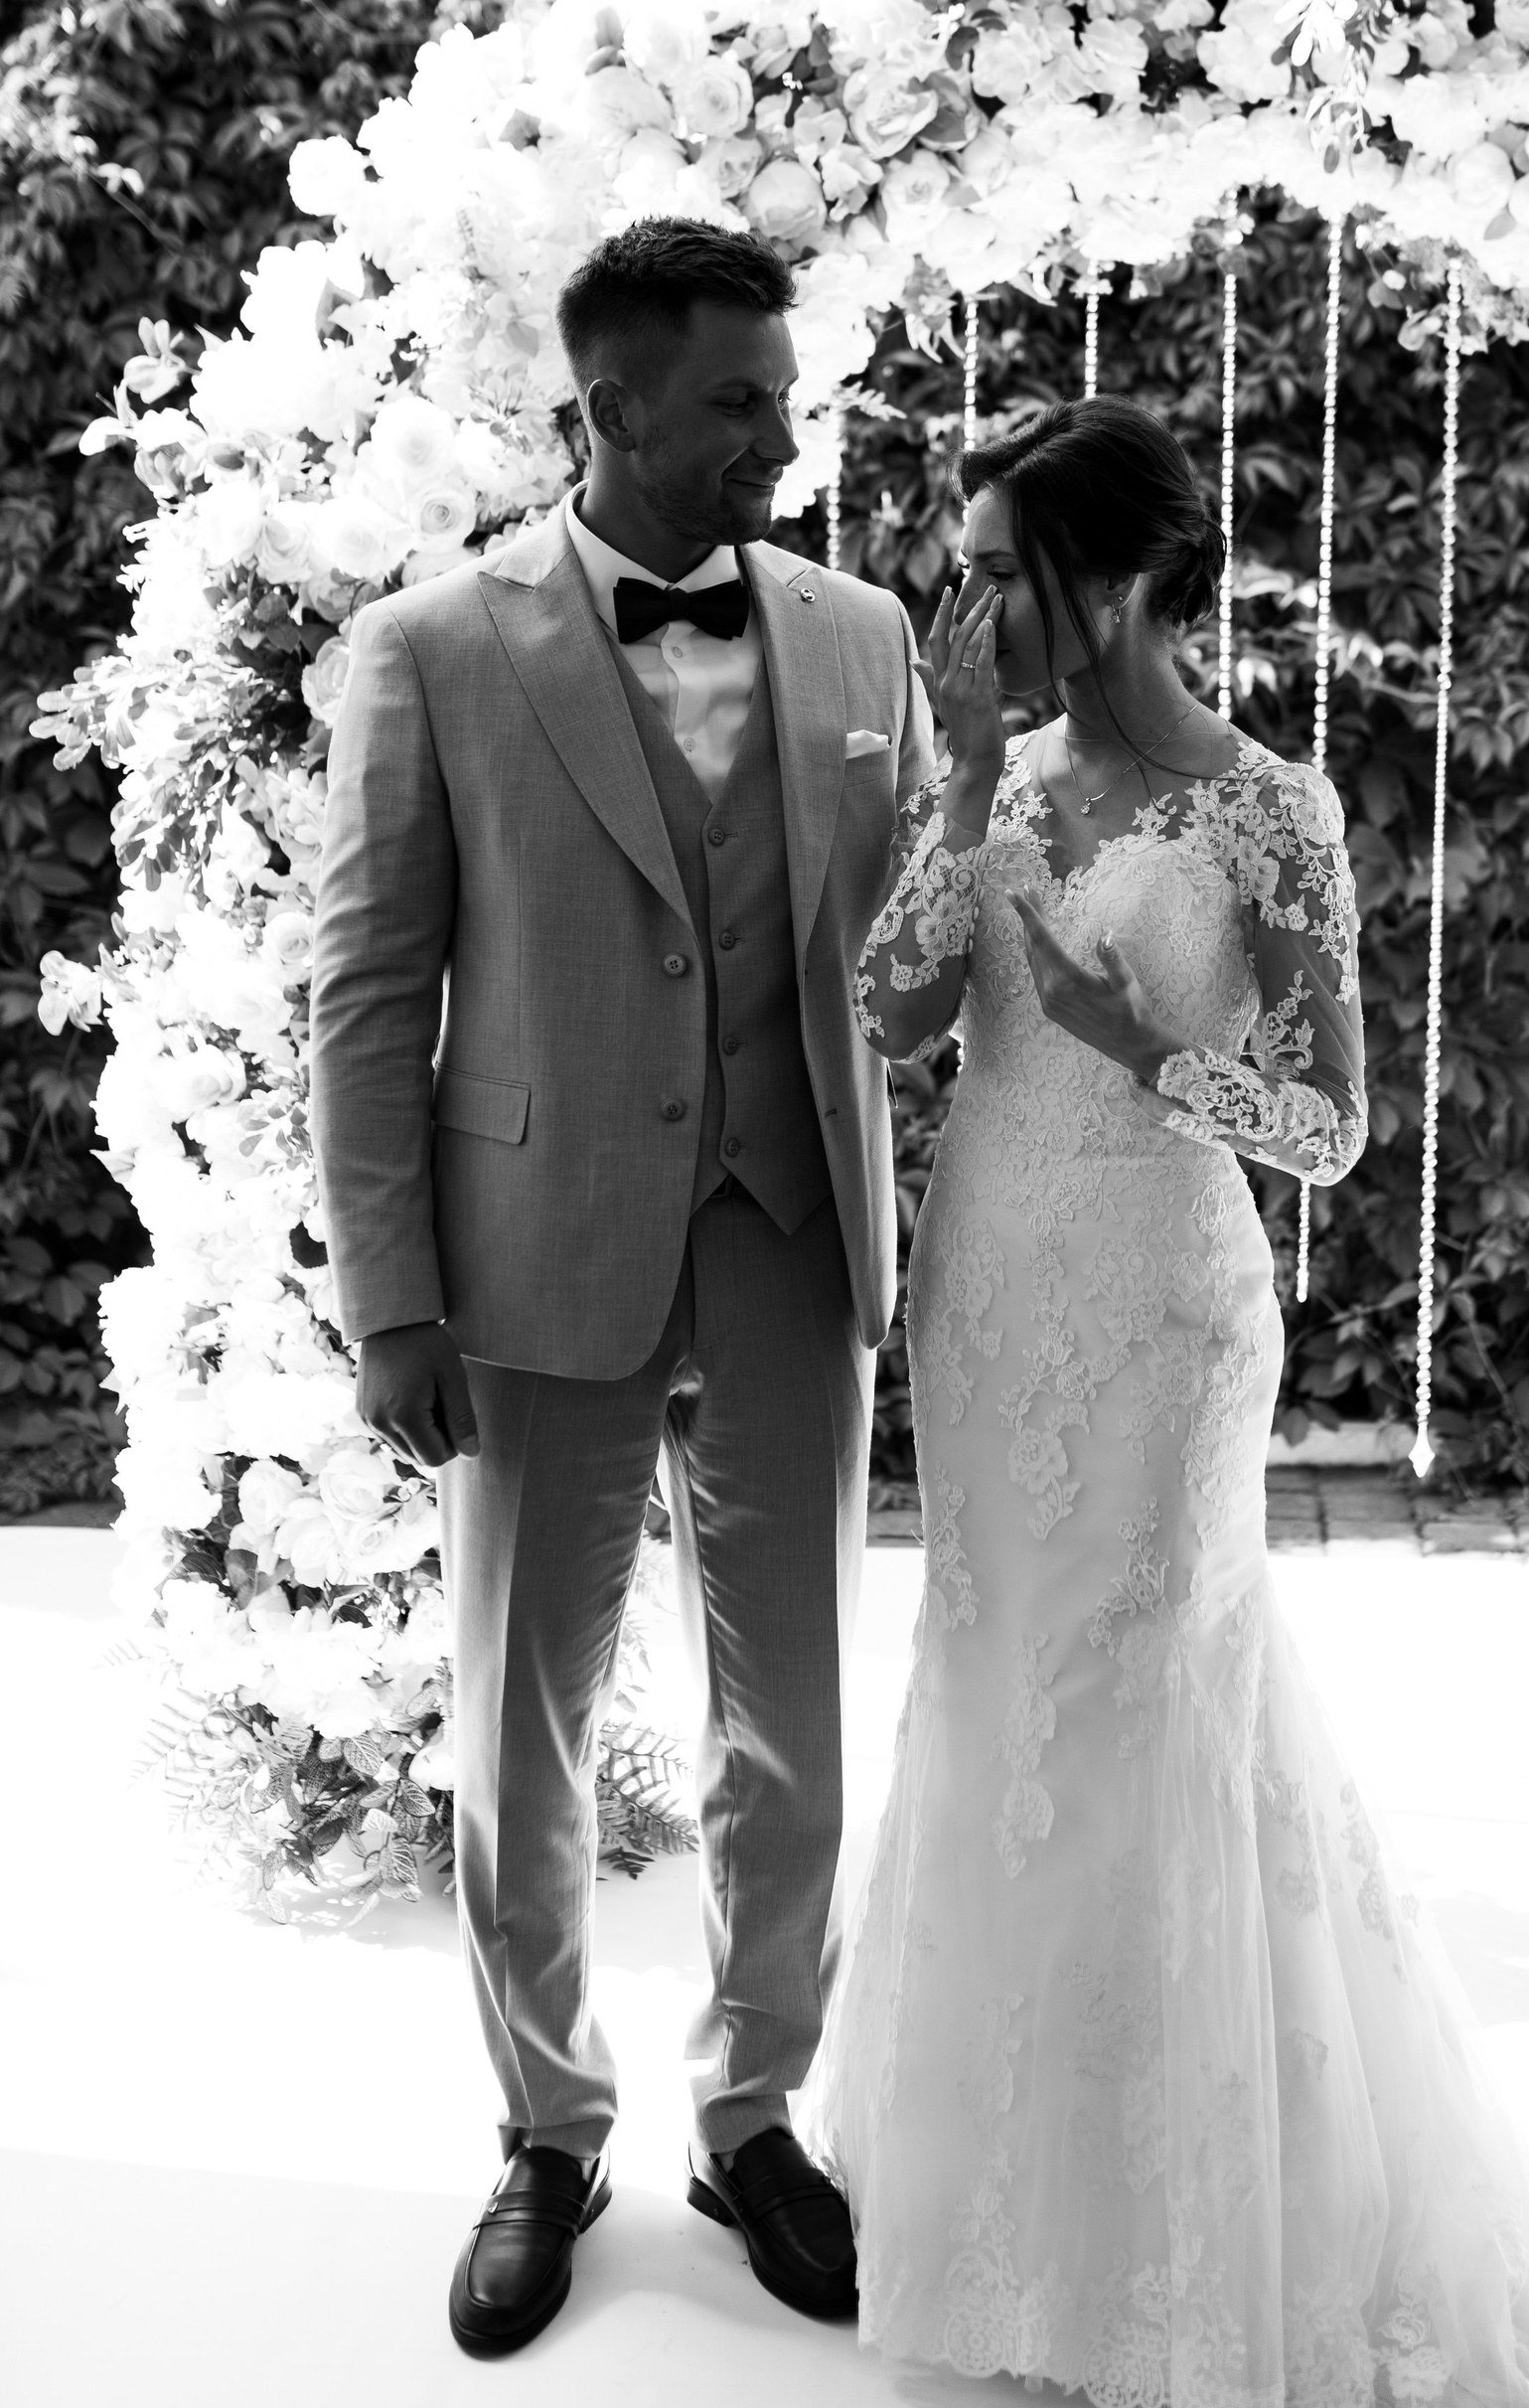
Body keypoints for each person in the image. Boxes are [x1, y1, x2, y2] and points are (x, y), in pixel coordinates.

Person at [807, 395, 1529, 2406]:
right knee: (996, 1694)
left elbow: (1334, 1128)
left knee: (1147, 1711)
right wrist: (959, 789)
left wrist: (1144, 1051)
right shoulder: (988, 776)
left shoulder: (1270, 807)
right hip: (992, 1292)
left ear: (1116, 582)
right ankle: (1001, 2216)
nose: (965, 615)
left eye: (1001, 576)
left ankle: (1179, 2247)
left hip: (1170, 1315)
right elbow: (890, 1013)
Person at [309, 217, 933, 2356]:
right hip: (529, 1259)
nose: (782, 436)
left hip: (789, 1236)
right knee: (525, 1727)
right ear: (612, 406)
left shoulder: (862, 634)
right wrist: (392, 1301)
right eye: (741, 401)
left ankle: (753, 2116)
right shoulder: (431, 648)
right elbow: (368, 993)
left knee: (796, 1725)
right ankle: (545, 2130)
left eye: (784, 394)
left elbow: (910, 945)